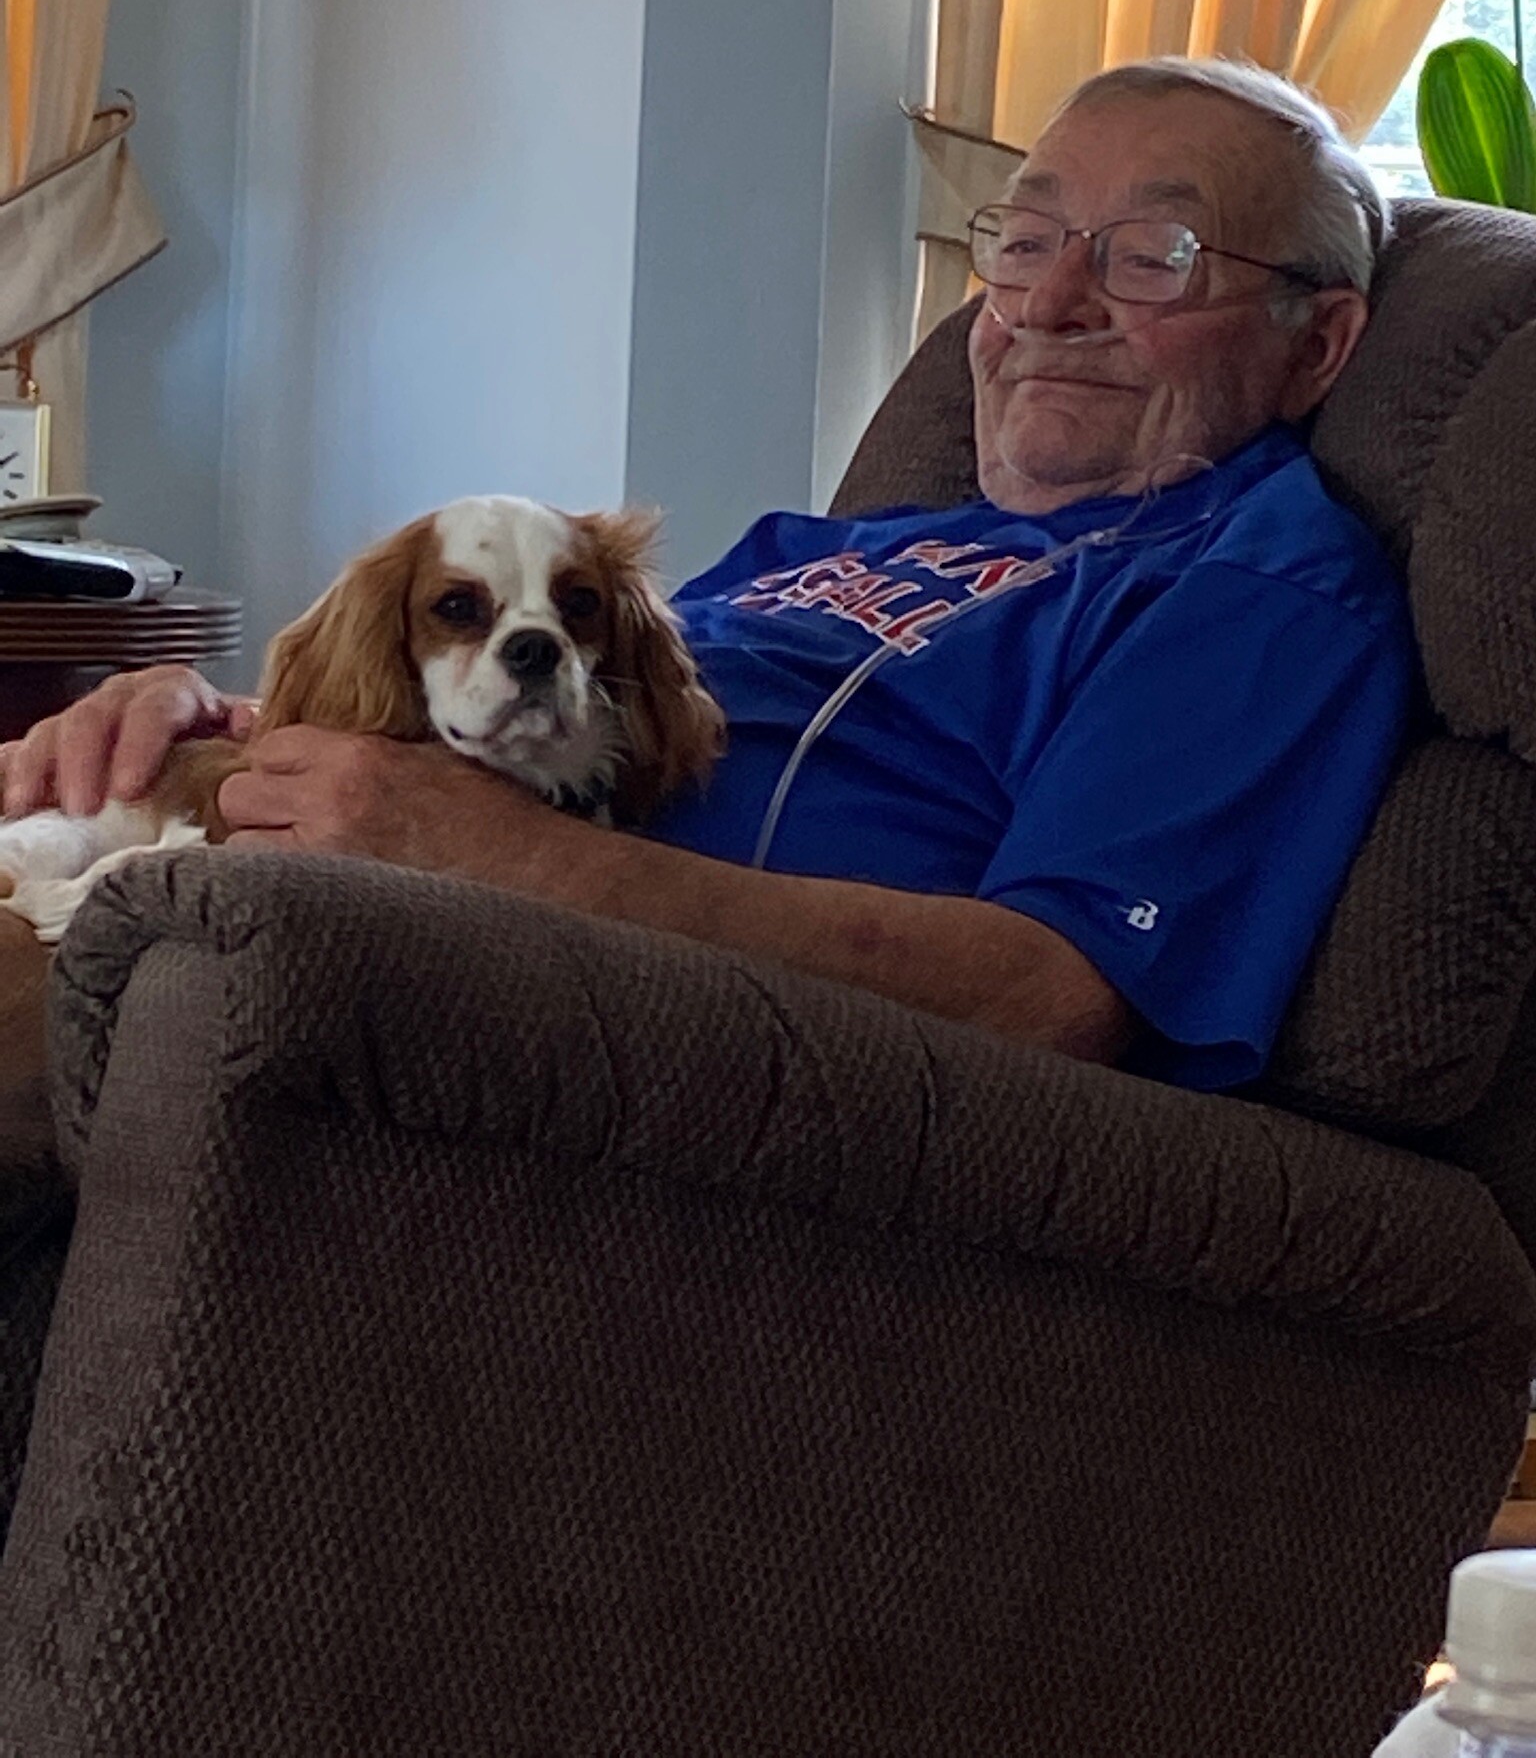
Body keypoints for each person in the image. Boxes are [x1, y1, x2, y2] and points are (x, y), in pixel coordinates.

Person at [0, 58, 1413, 1091]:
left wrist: (503, 861)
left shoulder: (1255, 589)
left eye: (1155, 257)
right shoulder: (832, 549)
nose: (1049, 302)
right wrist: (209, 732)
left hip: (593, 1039)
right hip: (332, 906)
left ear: (1319, 344)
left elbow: (1052, 999)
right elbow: (485, 738)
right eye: (1028, 240)